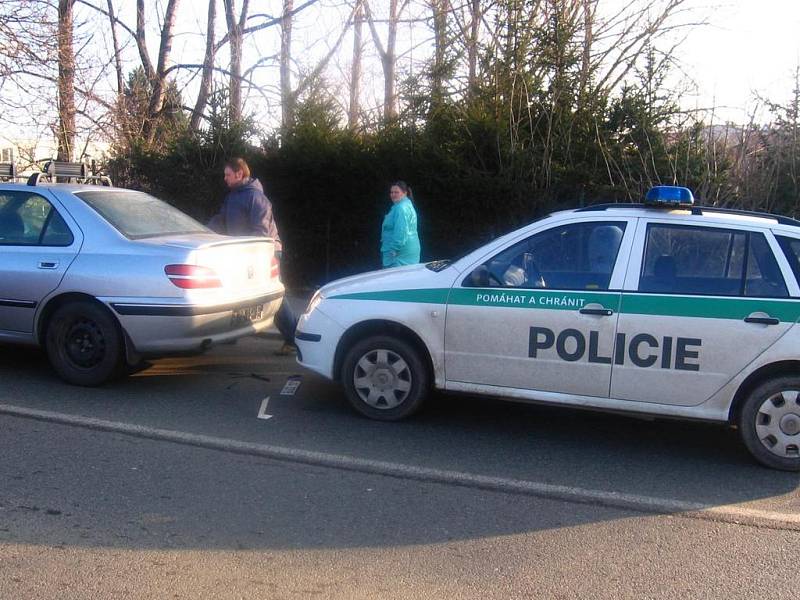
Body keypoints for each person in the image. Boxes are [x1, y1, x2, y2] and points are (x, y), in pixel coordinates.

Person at [208, 158, 296, 354]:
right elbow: (220, 220)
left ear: (239, 174)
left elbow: (262, 232)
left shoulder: (256, 198)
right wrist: (200, 231)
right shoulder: (233, 197)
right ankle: (231, 334)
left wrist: (248, 253)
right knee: (235, 294)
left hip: (264, 253)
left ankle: (293, 339)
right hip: (244, 253)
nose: (225, 178)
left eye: (228, 174)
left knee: (273, 295)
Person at [380, 181, 421, 268]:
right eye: (391, 192)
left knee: (395, 279)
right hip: (407, 251)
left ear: (405, 193)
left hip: (399, 255)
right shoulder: (406, 205)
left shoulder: (400, 208)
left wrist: (394, 250)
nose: (393, 194)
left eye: (396, 192)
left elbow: (401, 231)